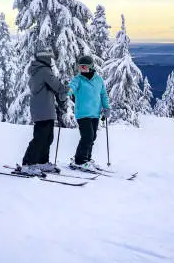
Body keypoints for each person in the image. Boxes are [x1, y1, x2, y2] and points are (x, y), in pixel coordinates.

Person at [20, 47, 68, 176]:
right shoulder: (45, 71)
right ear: (46, 58)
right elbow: (57, 86)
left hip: (42, 109)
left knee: (46, 137)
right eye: (50, 57)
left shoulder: (37, 71)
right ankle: (28, 163)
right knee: (41, 138)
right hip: (44, 110)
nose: (51, 60)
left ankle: (42, 162)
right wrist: (66, 88)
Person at [68, 55, 110, 170]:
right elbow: (72, 87)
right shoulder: (78, 79)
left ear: (91, 67)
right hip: (82, 113)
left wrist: (106, 108)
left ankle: (86, 158)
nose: (81, 69)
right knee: (87, 136)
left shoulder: (99, 80)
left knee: (92, 137)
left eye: (84, 67)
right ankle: (80, 161)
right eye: (80, 67)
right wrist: (67, 92)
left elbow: (103, 95)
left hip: (95, 113)